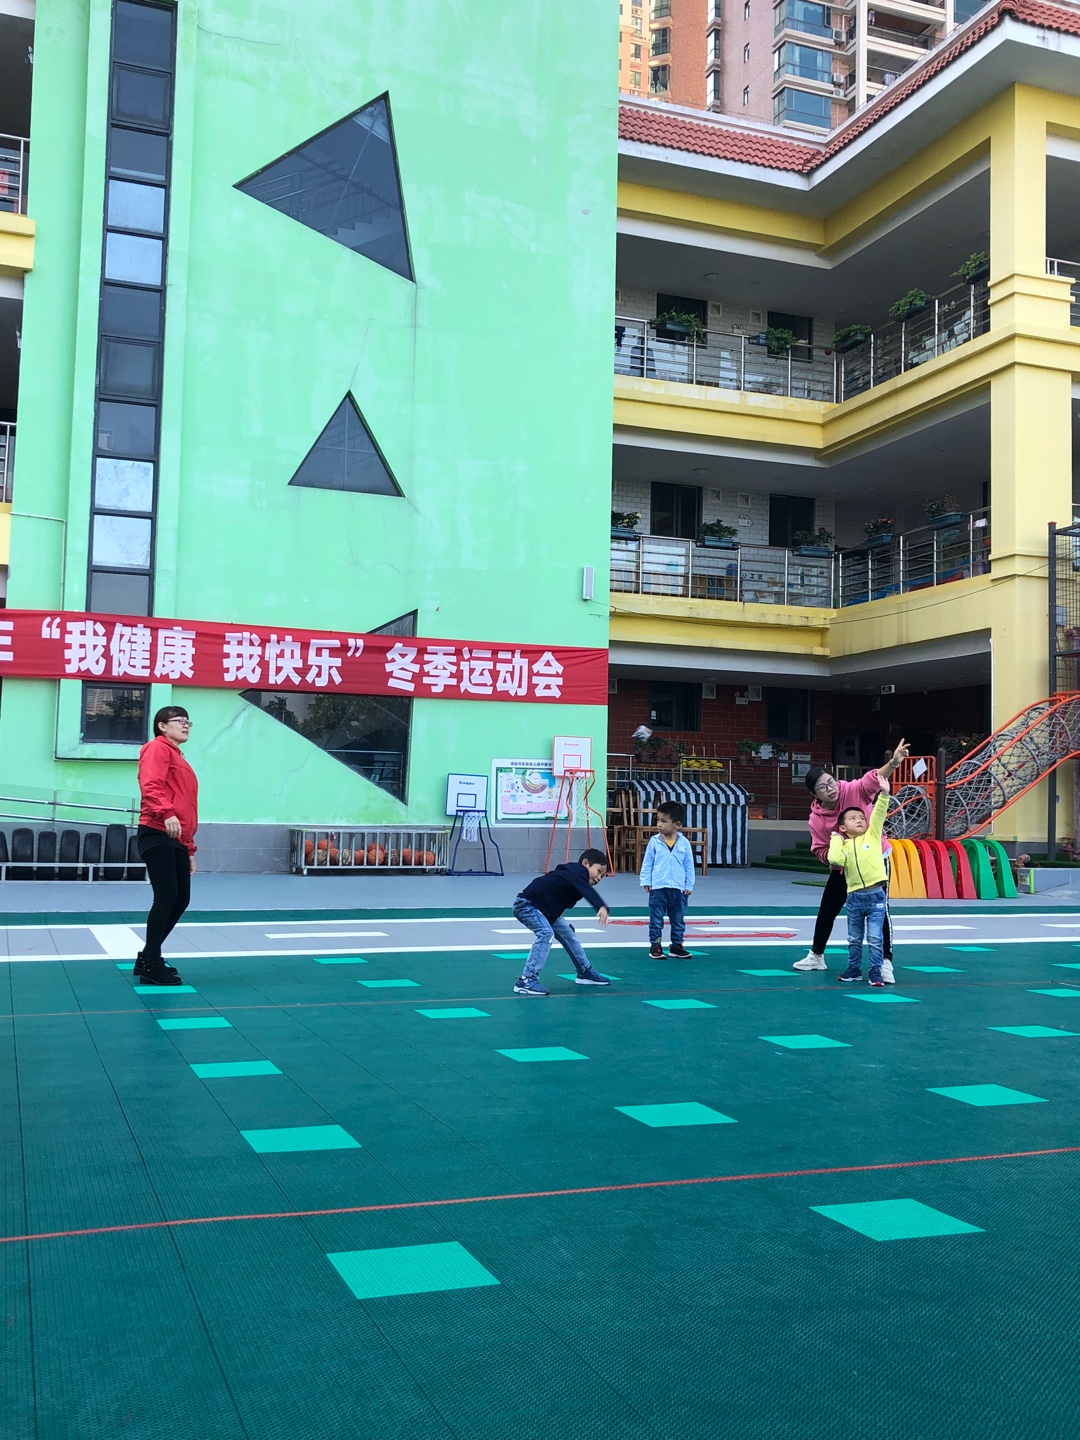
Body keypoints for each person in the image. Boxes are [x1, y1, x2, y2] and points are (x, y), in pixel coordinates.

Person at [792, 738, 909, 982]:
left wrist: (893, 763)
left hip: (874, 861)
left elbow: (873, 779)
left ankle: (885, 962)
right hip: (844, 867)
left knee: (880, 909)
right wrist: (836, 857)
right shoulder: (816, 819)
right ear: (814, 794)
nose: (830, 788)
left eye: (830, 782)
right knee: (828, 907)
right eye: (823, 787)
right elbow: (819, 849)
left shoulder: (853, 790)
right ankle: (816, 955)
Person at [134, 705, 198, 986]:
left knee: (180, 898)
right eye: (179, 721)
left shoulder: (177, 756)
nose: (185, 725)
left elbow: (187, 805)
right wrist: (165, 812)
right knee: (167, 895)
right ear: (162, 726)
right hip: (157, 829)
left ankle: (148, 956)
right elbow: (150, 784)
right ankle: (151, 962)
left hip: (176, 836)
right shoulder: (157, 748)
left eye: (188, 722)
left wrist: (189, 847)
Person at [511, 849, 613, 996]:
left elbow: (561, 895)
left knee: (569, 935)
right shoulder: (578, 871)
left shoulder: (575, 879)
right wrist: (600, 905)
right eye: (598, 871)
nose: (599, 878)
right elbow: (584, 889)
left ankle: (584, 971)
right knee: (545, 933)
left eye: (602, 876)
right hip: (527, 905)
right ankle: (527, 979)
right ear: (585, 863)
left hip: (546, 910)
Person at [828, 775, 892, 987]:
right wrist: (835, 839)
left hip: (875, 897)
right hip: (854, 898)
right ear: (843, 828)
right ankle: (854, 969)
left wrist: (884, 794)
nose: (859, 820)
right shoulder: (843, 846)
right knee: (854, 938)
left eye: (862, 818)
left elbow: (879, 814)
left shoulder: (872, 836)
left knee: (875, 937)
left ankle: (875, 970)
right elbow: (835, 859)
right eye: (853, 818)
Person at [641, 801, 695, 959]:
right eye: (658, 820)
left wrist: (689, 885)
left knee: (678, 919)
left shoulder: (684, 843)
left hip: (679, 889)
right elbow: (647, 863)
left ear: (676, 824)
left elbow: (689, 866)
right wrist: (646, 881)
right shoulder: (654, 842)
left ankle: (676, 945)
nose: (659, 824)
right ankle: (655, 946)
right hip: (658, 887)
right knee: (656, 919)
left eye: (664, 821)